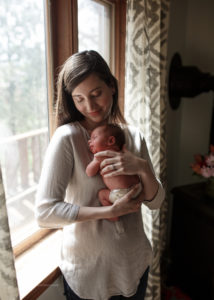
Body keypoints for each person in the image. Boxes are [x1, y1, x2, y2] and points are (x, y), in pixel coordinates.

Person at [35, 50, 165, 300]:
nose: (90, 106)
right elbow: (45, 213)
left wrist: (141, 167)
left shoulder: (133, 136)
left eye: (96, 94)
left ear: (112, 87)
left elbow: (155, 202)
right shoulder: (67, 138)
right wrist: (109, 212)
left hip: (135, 265)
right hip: (88, 273)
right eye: (79, 99)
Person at [86, 124, 142, 222]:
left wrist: (95, 161)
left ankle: (112, 215)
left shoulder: (101, 157)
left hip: (120, 194)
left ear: (111, 141)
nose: (89, 141)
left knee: (101, 194)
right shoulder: (124, 155)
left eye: (94, 137)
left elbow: (89, 173)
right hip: (137, 188)